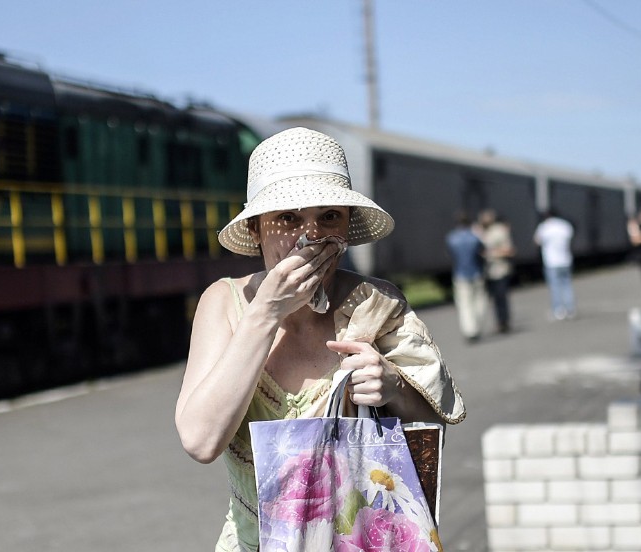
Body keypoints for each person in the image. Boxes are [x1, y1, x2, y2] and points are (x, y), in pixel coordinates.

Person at [174, 127, 466, 552]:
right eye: (288, 218)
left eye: (329, 216)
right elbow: (200, 441)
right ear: (256, 229)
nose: (310, 235)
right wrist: (266, 313)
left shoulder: (377, 303)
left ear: (346, 227)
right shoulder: (224, 303)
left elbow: (434, 425)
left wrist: (393, 386)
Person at [446, 211, 487, 342]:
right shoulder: (474, 237)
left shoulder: (451, 238)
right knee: (479, 301)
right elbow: (482, 252)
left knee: (464, 304)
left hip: (460, 274)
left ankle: (470, 330)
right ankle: (477, 325)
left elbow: (451, 256)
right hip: (476, 272)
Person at [534, 209, 576, 320]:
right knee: (567, 286)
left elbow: (537, 241)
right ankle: (570, 309)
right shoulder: (565, 226)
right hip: (566, 260)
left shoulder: (544, 227)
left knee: (555, 287)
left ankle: (558, 310)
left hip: (551, 261)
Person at [479, 208, 515, 333]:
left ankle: (504, 322)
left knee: (501, 297)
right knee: (493, 298)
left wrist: (490, 253)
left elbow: (509, 250)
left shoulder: (499, 231)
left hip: (500, 270)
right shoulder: (481, 232)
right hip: (487, 272)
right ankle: (499, 321)